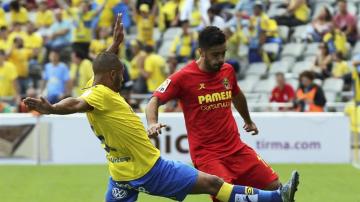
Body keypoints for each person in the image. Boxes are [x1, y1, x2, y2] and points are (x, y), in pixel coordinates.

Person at [24, 14, 299, 202]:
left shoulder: (93, 84)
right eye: (121, 73)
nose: (124, 77)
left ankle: (276, 194)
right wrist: (53, 109)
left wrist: (116, 45)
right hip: (150, 170)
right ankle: (276, 198)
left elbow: (101, 69)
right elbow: (77, 103)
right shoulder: (100, 94)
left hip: (120, 175)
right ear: (112, 76)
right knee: (214, 185)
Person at [146, 26, 291, 202]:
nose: (221, 59)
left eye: (223, 53)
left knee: (276, 187)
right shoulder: (183, 77)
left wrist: (248, 120)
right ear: (201, 52)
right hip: (207, 155)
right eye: (215, 54)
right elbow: (154, 100)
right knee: (225, 197)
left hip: (236, 148)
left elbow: (236, 95)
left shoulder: (227, 71)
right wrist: (152, 122)